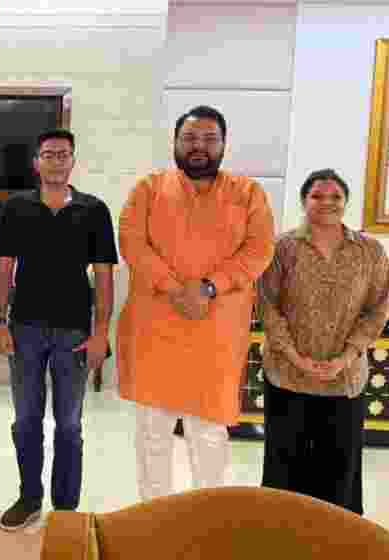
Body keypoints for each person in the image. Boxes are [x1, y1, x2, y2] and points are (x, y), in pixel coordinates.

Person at [117, 105, 275, 501]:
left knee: (209, 435)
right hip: (155, 333)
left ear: (223, 144)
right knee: (153, 432)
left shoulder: (248, 193)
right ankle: (154, 519)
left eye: (209, 139)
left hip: (216, 336)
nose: (198, 147)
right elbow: (133, 244)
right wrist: (175, 289)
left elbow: (259, 250)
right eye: (189, 138)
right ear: (174, 143)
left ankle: (208, 520)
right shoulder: (148, 190)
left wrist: (207, 287)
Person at [0, 129, 117, 530]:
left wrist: (101, 332)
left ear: (73, 161)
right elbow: (4, 269)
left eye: (63, 154)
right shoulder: (16, 207)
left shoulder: (93, 209)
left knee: (69, 425)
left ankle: (65, 510)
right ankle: (29, 498)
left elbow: (104, 276)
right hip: (25, 327)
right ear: (37, 162)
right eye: (49, 154)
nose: (56, 161)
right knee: (26, 420)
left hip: (74, 332)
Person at [259, 169, 389, 515]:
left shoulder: (370, 251)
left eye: (335, 196)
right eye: (318, 195)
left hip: (343, 379)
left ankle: (336, 538)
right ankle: (283, 535)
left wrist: (346, 357)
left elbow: (378, 309)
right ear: (304, 201)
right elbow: (267, 306)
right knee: (285, 464)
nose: (327, 202)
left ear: (346, 202)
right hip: (287, 376)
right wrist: (294, 356)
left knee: (339, 467)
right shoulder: (281, 248)